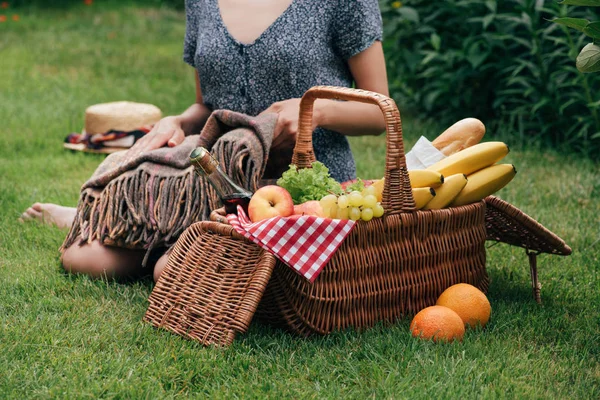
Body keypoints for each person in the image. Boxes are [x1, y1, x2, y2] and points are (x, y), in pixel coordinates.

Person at [20, 0, 390, 282]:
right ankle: (151, 225)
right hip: (214, 183)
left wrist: (316, 111)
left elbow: (381, 112)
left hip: (300, 187)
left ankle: (168, 237)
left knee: (170, 269)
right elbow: (205, 106)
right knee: (84, 261)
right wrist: (177, 121)